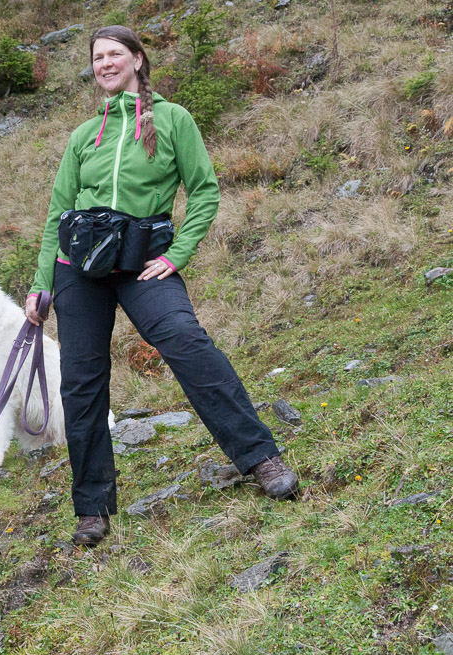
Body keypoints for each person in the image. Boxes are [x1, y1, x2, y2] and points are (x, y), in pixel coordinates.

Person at [24, 27, 299, 547]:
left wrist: (176, 255)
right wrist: (42, 285)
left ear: (137, 59)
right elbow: (59, 212)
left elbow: (205, 192)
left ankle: (260, 457)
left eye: (114, 55)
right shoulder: (85, 135)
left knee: (185, 340)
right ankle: (92, 507)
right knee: (81, 381)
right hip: (76, 268)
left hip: (142, 261)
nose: (105, 63)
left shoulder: (172, 120)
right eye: (97, 57)